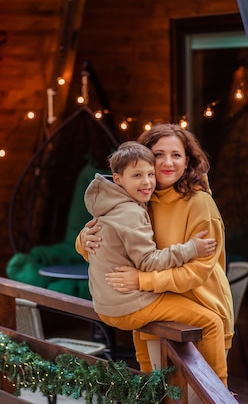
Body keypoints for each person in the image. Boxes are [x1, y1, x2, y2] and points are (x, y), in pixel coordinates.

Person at [76, 123, 234, 388]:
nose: (167, 162)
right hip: (153, 316)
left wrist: (142, 281)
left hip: (200, 317)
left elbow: (197, 271)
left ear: (187, 161)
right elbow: (113, 252)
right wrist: (83, 241)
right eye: (158, 154)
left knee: (200, 397)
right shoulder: (137, 199)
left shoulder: (200, 204)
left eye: (176, 155)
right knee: (160, 394)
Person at [84, 140, 216, 322]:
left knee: (152, 345)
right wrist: (191, 248)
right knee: (211, 321)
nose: (146, 182)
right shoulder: (131, 210)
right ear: (118, 179)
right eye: (137, 175)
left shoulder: (112, 201)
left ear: (187, 162)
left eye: (150, 174)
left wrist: (83, 239)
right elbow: (147, 261)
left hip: (109, 302)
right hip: (129, 302)